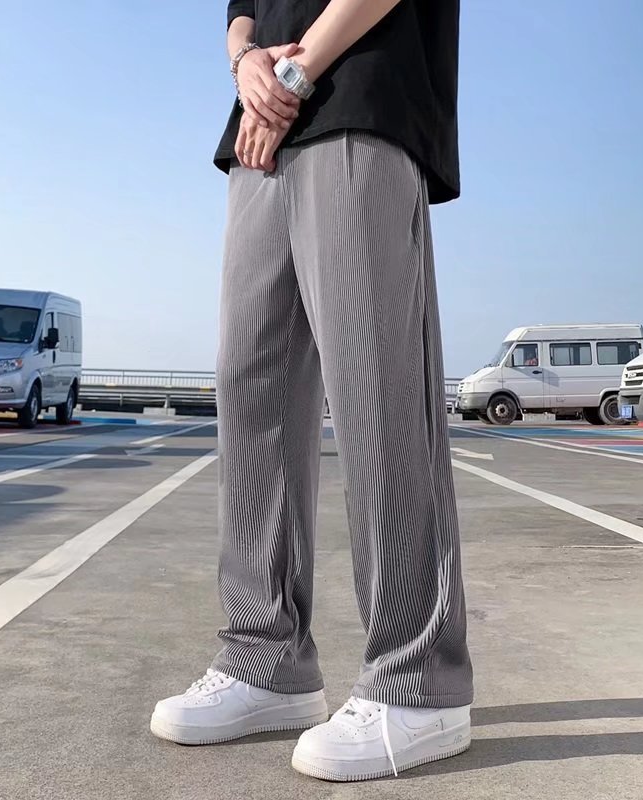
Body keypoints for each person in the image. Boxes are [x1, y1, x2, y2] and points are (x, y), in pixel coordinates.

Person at [150, 0, 473, 782]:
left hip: (360, 97)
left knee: (377, 389)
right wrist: (247, 65)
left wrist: (294, 70)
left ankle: (418, 680)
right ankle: (268, 660)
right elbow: (242, 11)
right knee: (251, 389)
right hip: (260, 132)